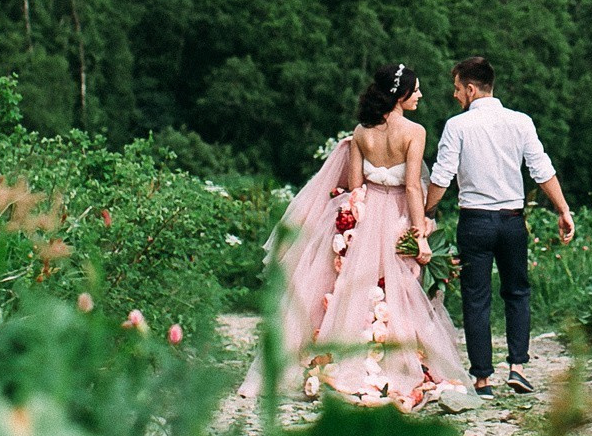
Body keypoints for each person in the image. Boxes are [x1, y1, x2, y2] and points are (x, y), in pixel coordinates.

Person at [241, 64, 470, 409]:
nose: (420, 96)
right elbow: (412, 186)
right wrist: (420, 233)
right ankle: (392, 363)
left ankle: (343, 358)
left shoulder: (361, 132)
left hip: (365, 214)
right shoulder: (415, 131)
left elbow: (354, 186)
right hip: (397, 216)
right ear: (400, 95)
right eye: (416, 90)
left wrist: (354, 221)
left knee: (355, 289)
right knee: (397, 291)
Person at [425, 56, 574, 395]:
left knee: (476, 298)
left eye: (457, 89)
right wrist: (563, 209)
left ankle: (482, 379)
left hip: (475, 222)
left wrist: (427, 212)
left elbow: (442, 176)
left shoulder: (457, 126)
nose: (455, 95)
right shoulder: (521, 122)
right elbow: (541, 169)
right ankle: (517, 368)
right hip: (512, 222)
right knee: (517, 292)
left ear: (471, 89)